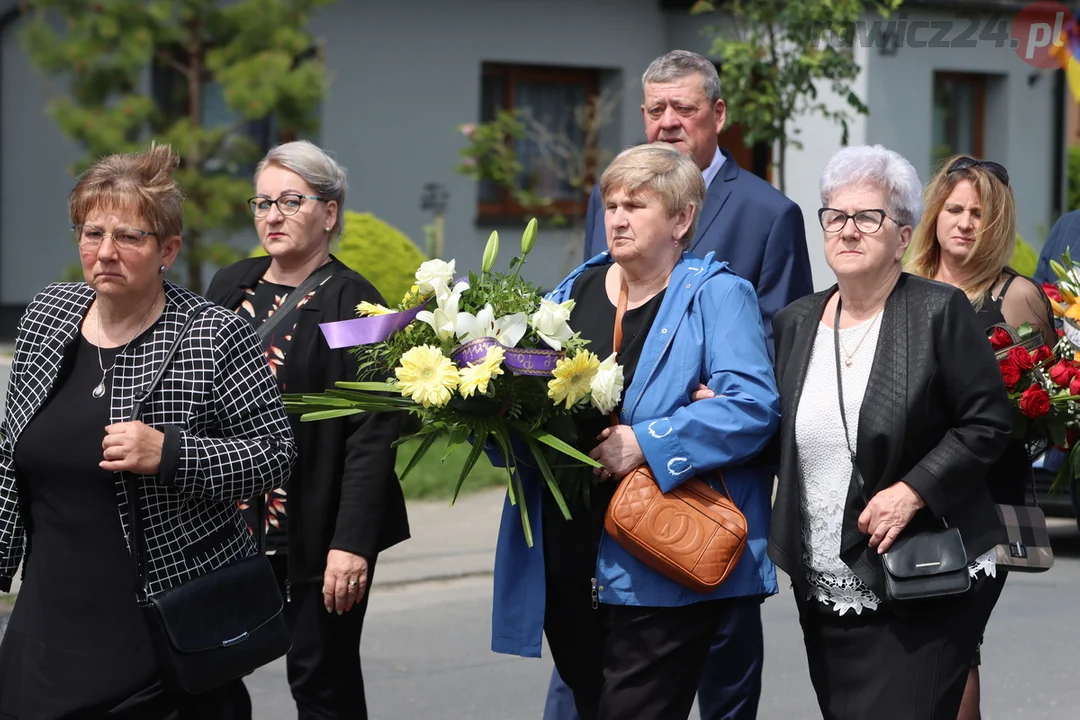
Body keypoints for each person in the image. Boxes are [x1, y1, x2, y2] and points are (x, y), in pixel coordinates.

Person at [0, 144, 296, 717]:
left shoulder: (212, 334)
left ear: (168, 250)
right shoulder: (46, 317)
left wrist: (172, 452)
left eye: (129, 237)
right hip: (48, 622)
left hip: (163, 630)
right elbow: (10, 456)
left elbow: (276, 455)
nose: (105, 252)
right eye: (92, 233)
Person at [493, 142, 780, 720]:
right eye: (611, 204)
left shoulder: (719, 295)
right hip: (568, 554)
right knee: (595, 704)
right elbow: (530, 386)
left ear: (681, 219)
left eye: (636, 205)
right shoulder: (572, 292)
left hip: (660, 554)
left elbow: (752, 407)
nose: (617, 218)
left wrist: (646, 443)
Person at [566, 49, 811, 720]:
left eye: (634, 206)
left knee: (698, 687)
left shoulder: (751, 237)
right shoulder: (583, 278)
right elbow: (553, 355)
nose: (618, 217)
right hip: (584, 530)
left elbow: (765, 373)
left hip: (685, 508)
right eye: (656, 109)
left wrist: (656, 435)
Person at [768, 145, 1011, 719]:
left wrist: (913, 490)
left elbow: (987, 421)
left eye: (868, 217)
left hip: (923, 579)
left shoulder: (937, 310)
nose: (848, 231)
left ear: (903, 235)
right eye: (836, 216)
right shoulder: (795, 323)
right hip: (827, 585)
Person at [206, 140, 409, 720]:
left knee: (322, 681)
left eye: (291, 201)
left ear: (330, 211)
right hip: (228, 527)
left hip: (313, 529)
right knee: (208, 671)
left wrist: (351, 544)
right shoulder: (231, 285)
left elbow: (373, 430)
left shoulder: (358, 301)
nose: (273, 215)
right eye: (263, 202)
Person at [907, 155, 1054, 720]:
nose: (965, 223)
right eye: (955, 209)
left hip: (984, 501)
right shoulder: (905, 282)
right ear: (935, 215)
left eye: (979, 214)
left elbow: (1044, 408)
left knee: (956, 643)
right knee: (923, 643)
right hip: (908, 492)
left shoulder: (1016, 297)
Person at [582, 50, 813, 355]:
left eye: (683, 109)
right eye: (656, 110)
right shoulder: (607, 200)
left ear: (718, 114)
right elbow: (589, 303)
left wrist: (722, 390)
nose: (667, 122)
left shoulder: (769, 214)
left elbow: (784, 340)